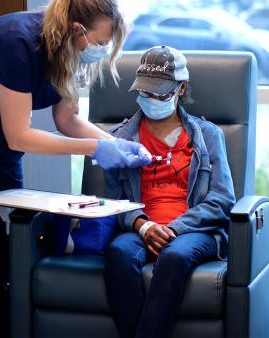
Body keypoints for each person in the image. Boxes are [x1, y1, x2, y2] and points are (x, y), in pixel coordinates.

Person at [0, 0, 151, 338]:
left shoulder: (71, 51)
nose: (102, 50)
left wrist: (119, 142)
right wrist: (93, 150)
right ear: (78, 30)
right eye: (101, 42)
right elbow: (20, 134)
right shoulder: (18, 40)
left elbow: (67, 119)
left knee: (8, 243)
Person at [103, 45, 236, 338]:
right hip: (139, 228)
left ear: (181, 88)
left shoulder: (207, 135)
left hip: (194, 231)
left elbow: (223, 200)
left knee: (174, 257)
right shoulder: (119, 139)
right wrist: (144, 225)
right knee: (118, 253)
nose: (150, 99)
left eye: (159, 93)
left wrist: (171, 229)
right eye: (145, 91)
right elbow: (114, 201)